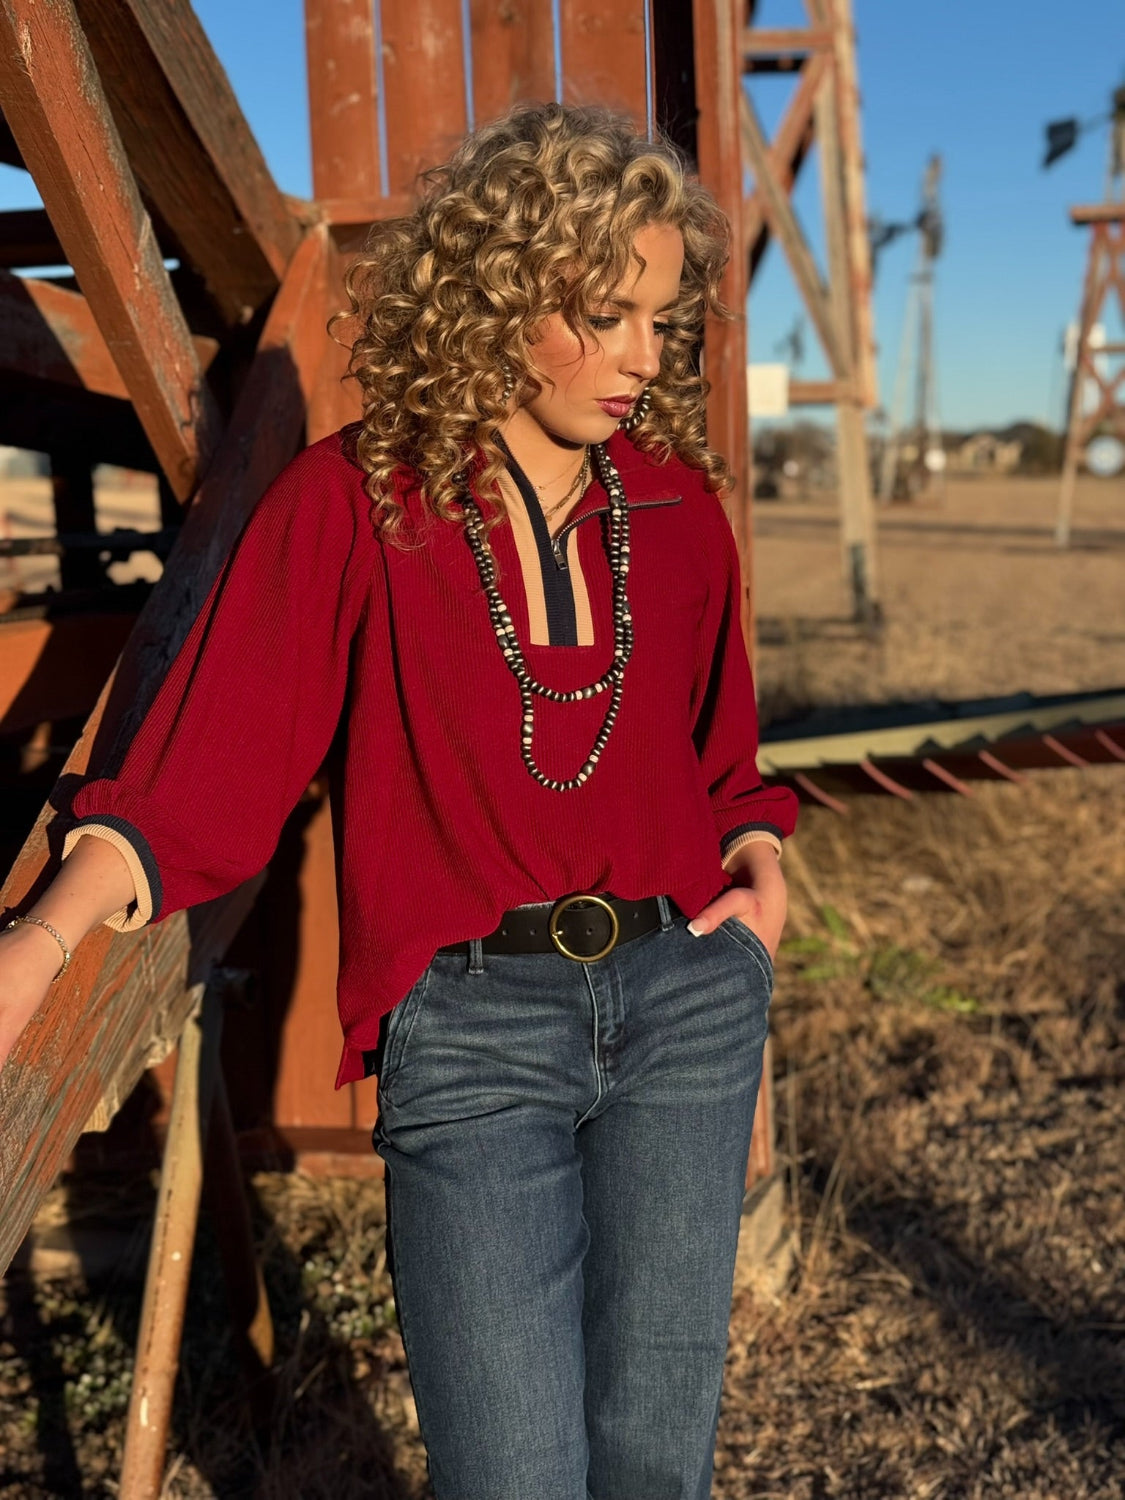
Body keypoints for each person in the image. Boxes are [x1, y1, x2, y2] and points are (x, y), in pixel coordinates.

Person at [0, 104, 797, 1498]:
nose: (639, 357)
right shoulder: (352, 502)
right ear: (498, 292)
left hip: (687, 1006)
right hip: (472, 1033)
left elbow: (721, 753)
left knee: (653, 1463)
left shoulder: (678, 512)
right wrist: (37, 941)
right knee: (509, 1473)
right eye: (603, 314)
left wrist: (756, 869)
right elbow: (207, 770)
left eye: (658, 320)